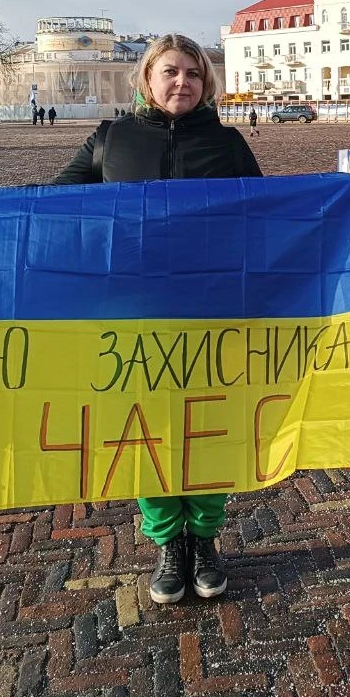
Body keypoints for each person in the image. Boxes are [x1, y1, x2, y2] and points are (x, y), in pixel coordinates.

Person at [53, 33, 262, 604]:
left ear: (206, 82)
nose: (182, 82)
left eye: (193, 74)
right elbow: (54, 205)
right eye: (170, 72)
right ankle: (169, 542)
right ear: (146, 79)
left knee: (208, 426)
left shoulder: (227, 144)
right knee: (144, 431)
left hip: (210, 312)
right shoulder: (112, 139)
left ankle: (205, 539)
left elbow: (269, 219)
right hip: (130, 314)